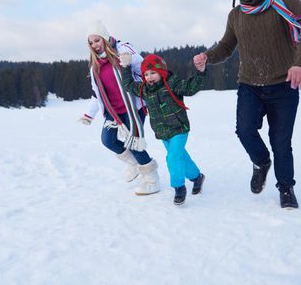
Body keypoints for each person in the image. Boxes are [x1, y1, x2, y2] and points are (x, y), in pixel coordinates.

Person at [193, 0, 301, 209]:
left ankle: (286, 188)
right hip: (249, 84)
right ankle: (261, 162)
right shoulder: (236, 15)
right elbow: (227, 46)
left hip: (283, 84)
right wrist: (208, 56)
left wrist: (300, 62)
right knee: (245, 130)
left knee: (281, 141)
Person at [78, 20, 160, 196]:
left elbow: (144, 69)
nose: (95, 45)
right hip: (113, 112)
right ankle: (135, 165)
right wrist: (88, 114)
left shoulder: (123, 50)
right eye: (91, 42)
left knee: (134, 144)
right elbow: (97, 93)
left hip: (133, 108)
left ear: (105, 38)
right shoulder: (95, 66)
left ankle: (152, 180)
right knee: (108, 140)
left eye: (97, 40)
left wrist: (130, 62)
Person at [120, 53, 206, 205]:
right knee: (181, 158)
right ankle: (197, 177)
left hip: (179, 129)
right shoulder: (144, 89)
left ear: (162, 72)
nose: (149, 76)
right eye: (146, 74)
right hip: (163, 132)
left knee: (172, 158)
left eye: (153, 72)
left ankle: (179, 188)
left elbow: (191, 88)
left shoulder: (172, 83)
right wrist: (125, 67)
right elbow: (128, 85)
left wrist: (201, 72)